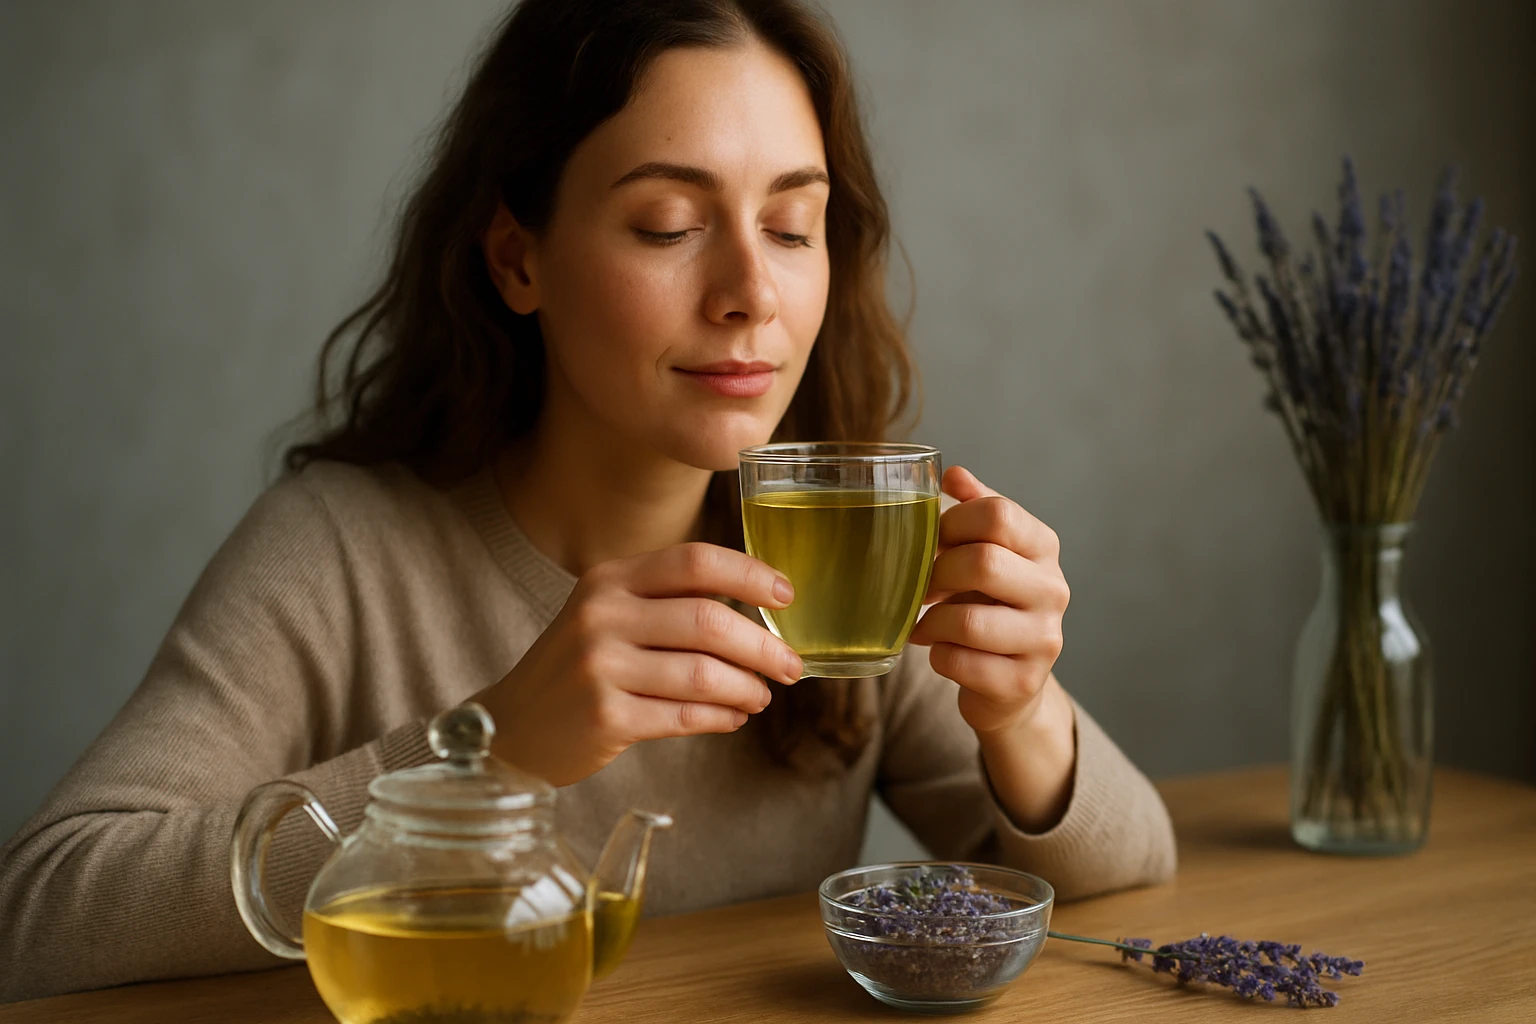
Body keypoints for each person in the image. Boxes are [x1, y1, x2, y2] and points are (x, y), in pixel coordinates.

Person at [0, 0, 1175, 1003]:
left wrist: (1020, 709)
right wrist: (486, 754)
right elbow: (44, 916)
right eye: (669, 223)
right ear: (518, 259)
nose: (751, 294)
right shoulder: (341, 551)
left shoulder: (845, 547)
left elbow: (1133, 873)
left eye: (792, 225)